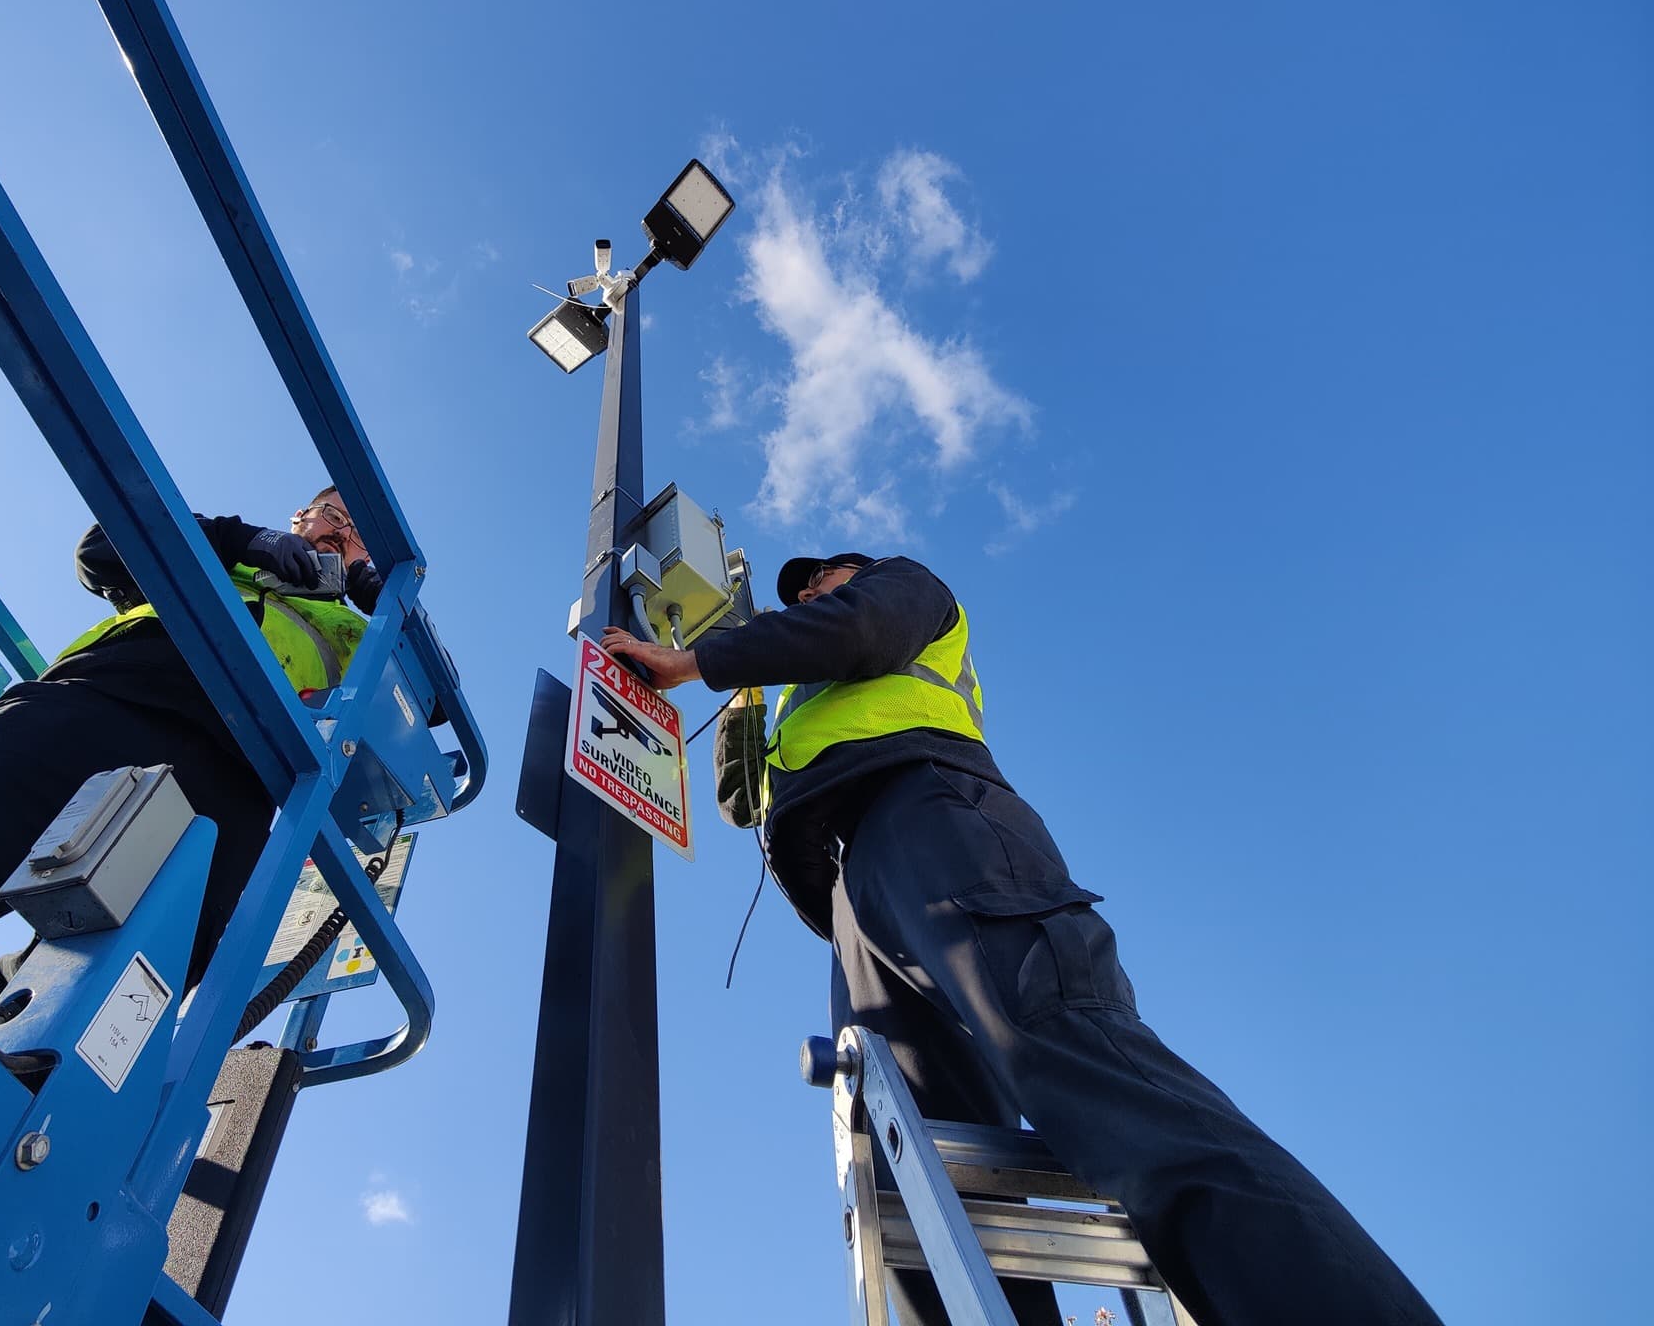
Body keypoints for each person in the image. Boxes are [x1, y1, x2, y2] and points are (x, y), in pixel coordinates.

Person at [600, 551, 1443, 1326]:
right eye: (803, 589)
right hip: (857, 893)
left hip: (937, 819)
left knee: (1076, 1058)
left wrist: (704, 660)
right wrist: (738, 684)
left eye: (824, 575)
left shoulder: (905, 591)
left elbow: (855, 626)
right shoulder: (797, 693)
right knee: (910, 1182)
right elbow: (745, 801)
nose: (814, 587)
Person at [0, 488, 384, 998]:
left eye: (356, 533)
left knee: (140, 965)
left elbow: (425, 706)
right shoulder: (220, 553)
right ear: (298, 519)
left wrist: (378, 600)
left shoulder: (362, 633)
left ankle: (12, 1080)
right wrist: (237, 539)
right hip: (107, 698)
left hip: (239, 775)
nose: (339, 531)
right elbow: (100, 550)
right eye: (329, 513)